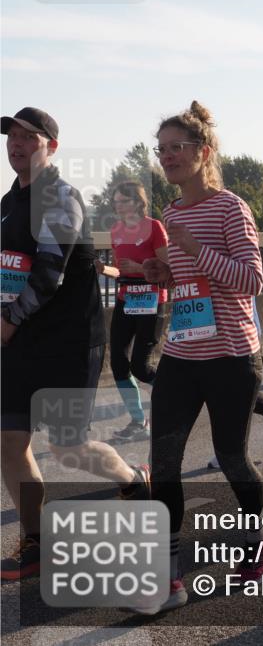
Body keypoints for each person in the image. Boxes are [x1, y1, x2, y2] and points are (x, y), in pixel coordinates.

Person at [1, 107, 151, 581]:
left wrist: (5, 323)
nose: (16, 143)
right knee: (8, 440)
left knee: (67, 448)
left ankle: (134, 480)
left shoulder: (60, 198)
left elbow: (47, 275)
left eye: (29, 137)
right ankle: (38, 540)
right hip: (21, 339)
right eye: (12, 137)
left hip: (68, 342)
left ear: (52, 147)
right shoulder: (8, 202)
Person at [137, 101, 263, 613]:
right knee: (164, 463)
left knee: (232, 457)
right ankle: (168, 578)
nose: (168, 157)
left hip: (232, 355)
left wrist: (195, 250)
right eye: (162, 149)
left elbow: (251, 281)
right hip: (181, 351)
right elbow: (190, 278)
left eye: (178, 148)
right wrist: (163, 274)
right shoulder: (170, 214)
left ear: (203, 153)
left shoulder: (231, 207)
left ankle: (258, 536)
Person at [95, 181, 168, 440]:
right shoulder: (115, 230)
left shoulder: (154, 227)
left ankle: (175, 397)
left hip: (151, 299)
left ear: (138, 202)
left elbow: (167, 266)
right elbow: (119, 270)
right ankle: (139, 421)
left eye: (122, 201)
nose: (117, 206)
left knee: (140, 366)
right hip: (126, 299)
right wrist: (104, 269)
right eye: (115, 202)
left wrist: (138, 268)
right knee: (118, 363)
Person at [207, 296, 263, 469]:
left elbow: (252, 281)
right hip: (207, 333)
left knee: (240, 393)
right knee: (222, 394)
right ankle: (228, 449)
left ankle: (233, 450)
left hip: (242, 336)